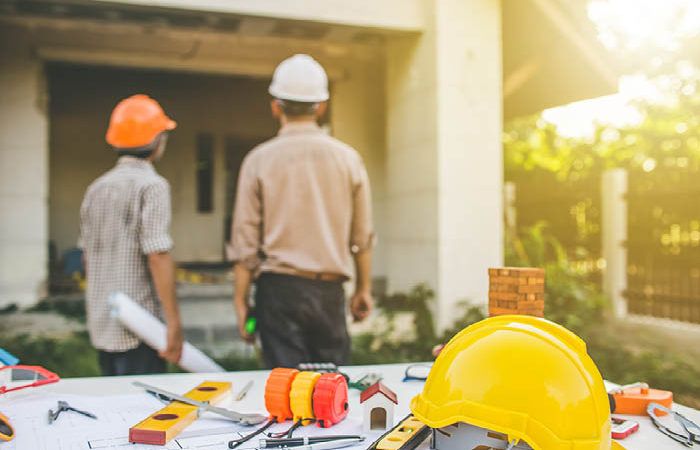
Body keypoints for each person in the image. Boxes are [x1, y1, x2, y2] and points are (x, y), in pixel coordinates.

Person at [230, 54, 375, 368]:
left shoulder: (258, 160)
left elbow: (245, 244)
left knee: (286, 396)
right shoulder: (348, 159)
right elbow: (362, 237)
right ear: (321, 107)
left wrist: (241, 301)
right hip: (329, 293)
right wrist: (363, 289)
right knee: (332, 395)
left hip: (278, 293)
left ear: (275, 106)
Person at [79, 94, 183, 376]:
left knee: (115, 408)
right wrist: (173, 323)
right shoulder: (153, 186)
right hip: (140, 328)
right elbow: (158, 255)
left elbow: (87, 257)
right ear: (159, 140)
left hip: (103, 322)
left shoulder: (96, 188)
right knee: (142, 412)